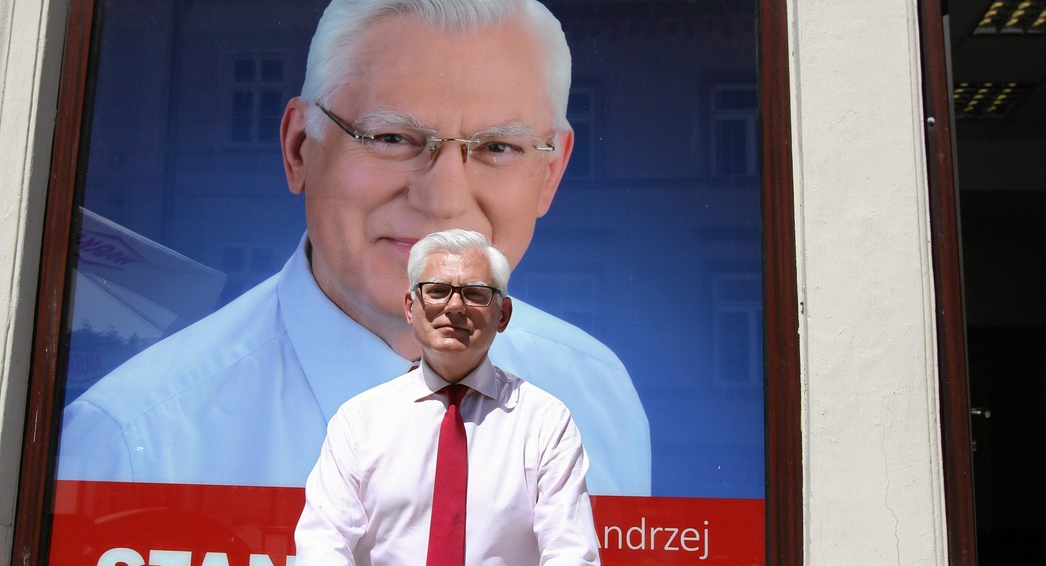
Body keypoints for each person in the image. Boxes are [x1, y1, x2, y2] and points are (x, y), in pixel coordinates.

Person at [56, 0, 650, 496]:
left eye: (498, 147)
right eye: (392, 137)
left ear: (551, 173)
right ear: (298, 148)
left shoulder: (597, 397)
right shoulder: (134, 443)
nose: (443, 201)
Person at [247, 229, 627, 566]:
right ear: (412, 307)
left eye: (476, 294)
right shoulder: (361, 419)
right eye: (437, 291)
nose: (454, 307)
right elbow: (321, 542)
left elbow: (572, 554)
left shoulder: (545, 420)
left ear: (502, 314)